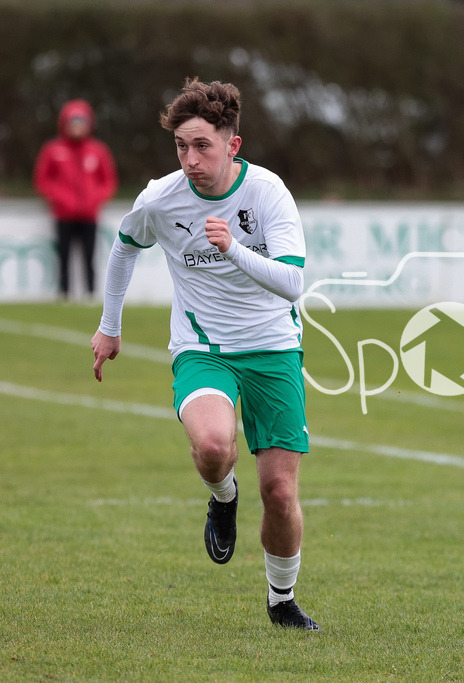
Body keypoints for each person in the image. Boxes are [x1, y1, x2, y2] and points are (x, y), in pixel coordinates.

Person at [90, 78, 319, 631]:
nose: (190, 160)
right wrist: (109, 326)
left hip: (272, 348)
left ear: (232, 145)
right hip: (202, 347)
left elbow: (292, 283)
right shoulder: (160, 198)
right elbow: (125, 247)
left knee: (281, 492)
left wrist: (233, 249)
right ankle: (222, 495)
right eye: (181, 147)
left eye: (202, 147)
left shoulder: (267, 193)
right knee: (215, 447)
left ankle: (281, 599)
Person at [33, 99, 119, 300]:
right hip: (63, 215)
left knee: (89, 257)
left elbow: (108, 182)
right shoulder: (52, 150)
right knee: (63, 256)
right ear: (65, 124)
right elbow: (42, 180)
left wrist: (95, 199)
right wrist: (60, 199)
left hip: (90, 215)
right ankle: (64, 295)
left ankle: (91, 295)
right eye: (73, 123)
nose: (77, 127)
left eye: (81, 123)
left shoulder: (98, 150)